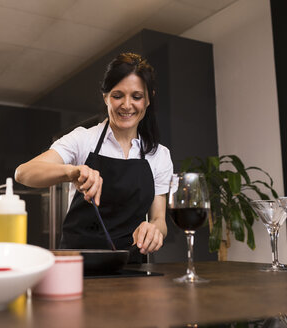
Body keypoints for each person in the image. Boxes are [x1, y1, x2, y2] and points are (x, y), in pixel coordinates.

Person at [15, 52, 173, 262]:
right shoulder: (83, 139)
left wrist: (154, 231)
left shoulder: (159, 155)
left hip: (132, 267)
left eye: (136, 96)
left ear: (148, 99)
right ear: (105, 97)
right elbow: (24, 173)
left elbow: (159, 219)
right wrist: (72, 171)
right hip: (77, 265)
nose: (127, 105)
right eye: (117, 96)